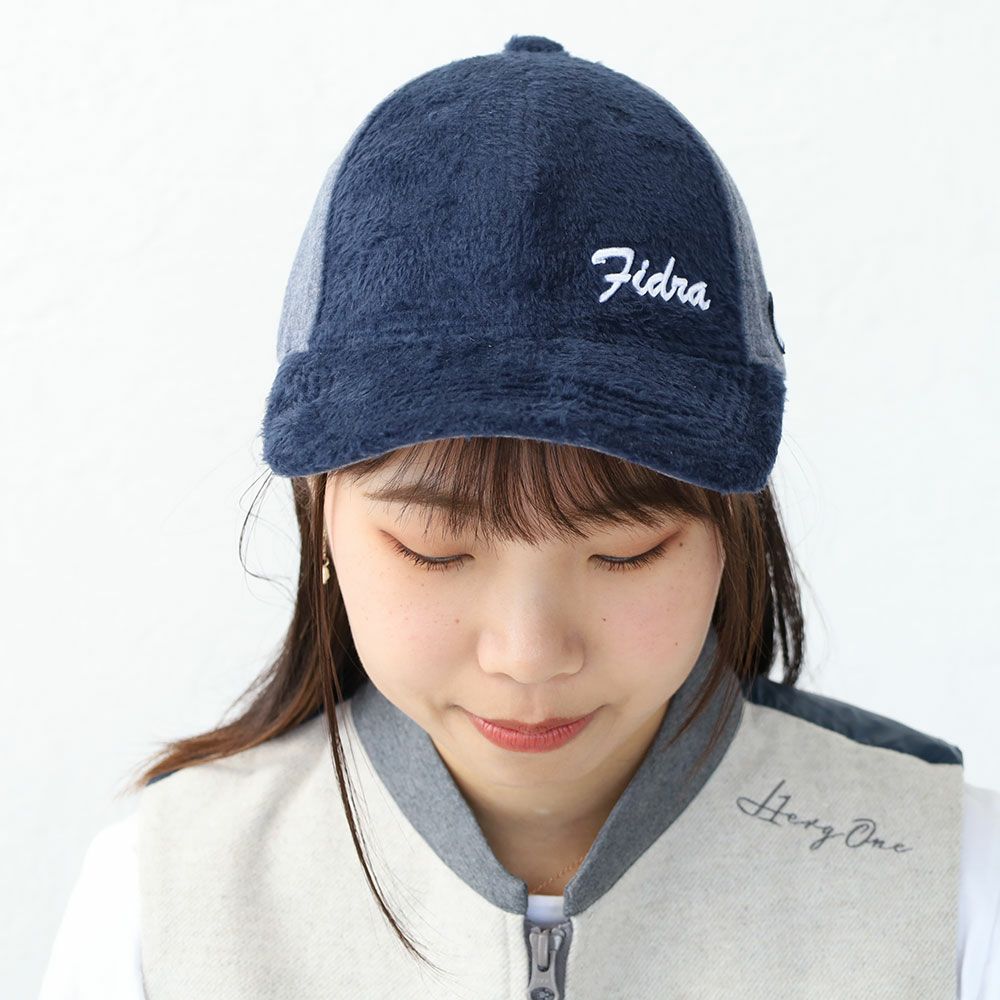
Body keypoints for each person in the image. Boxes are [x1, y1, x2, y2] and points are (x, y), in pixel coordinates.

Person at [39, 34, 999, 1000]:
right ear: (318, 515)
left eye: (626, 552)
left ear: (732, 531)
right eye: (433, 550)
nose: (529, 656)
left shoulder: (950, 885)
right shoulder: (161, 902)